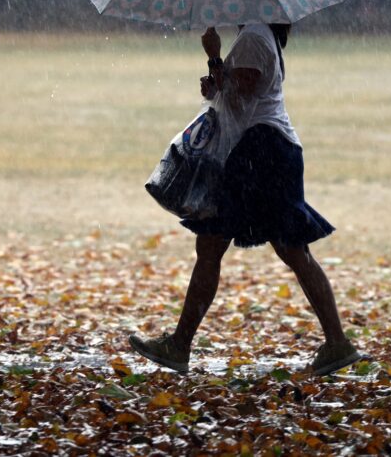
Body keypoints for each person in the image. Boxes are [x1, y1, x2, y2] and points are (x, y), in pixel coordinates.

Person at [128, 23, 360, 376]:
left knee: (216, 244)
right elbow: (233, 92)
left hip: (261, 151)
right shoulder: (259, 35)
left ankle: (180, 345)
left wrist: (214, 57)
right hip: (270, 149)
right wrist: (216, 78)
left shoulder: (253, 35)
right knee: (288, 249)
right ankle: (336, 342)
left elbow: (241, 93)